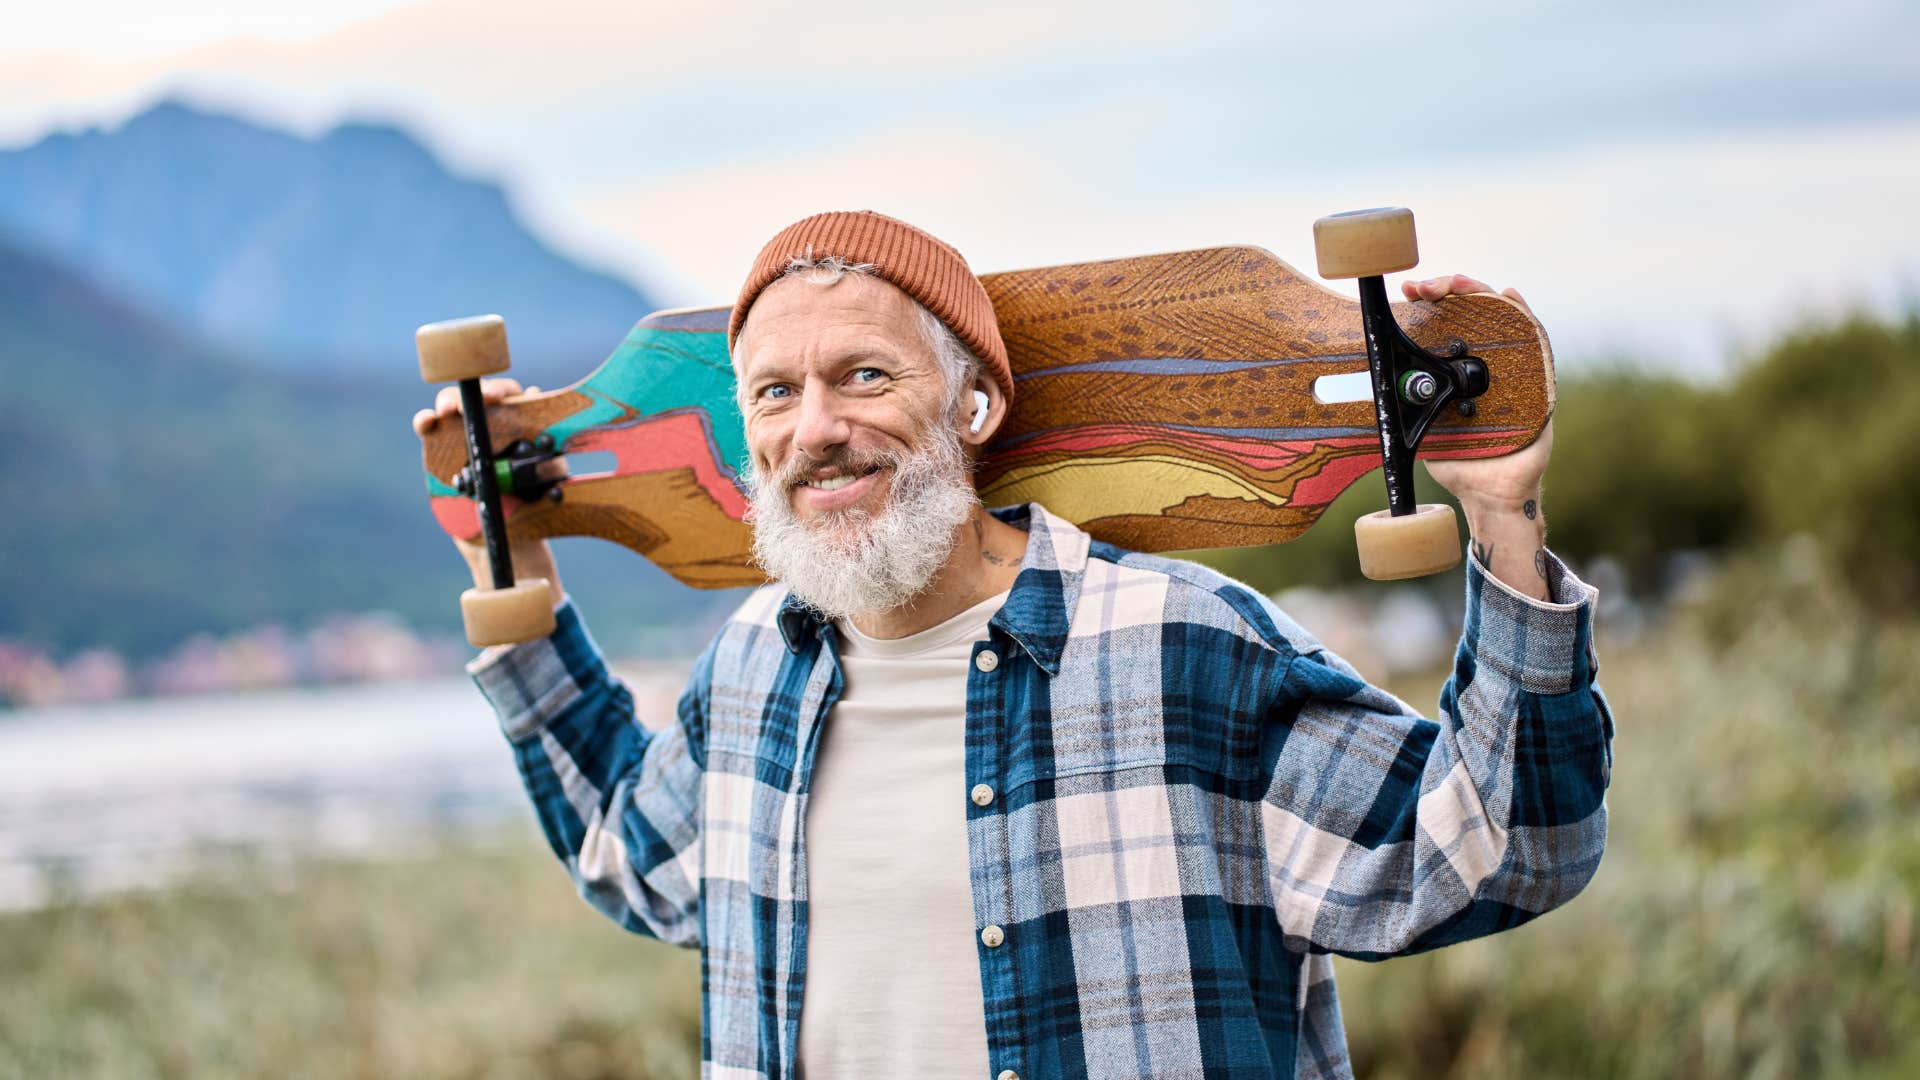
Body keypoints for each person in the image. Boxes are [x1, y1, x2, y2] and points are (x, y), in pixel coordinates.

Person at [412, 211, 1611, 1080]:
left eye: (864, 376)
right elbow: (632, 848)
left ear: (974, 406)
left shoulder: (1178, 650)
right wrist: (506, 555)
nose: (816, 429)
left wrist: (1501, 521)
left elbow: (1499, 849)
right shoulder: (751, 675)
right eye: (772, 394)